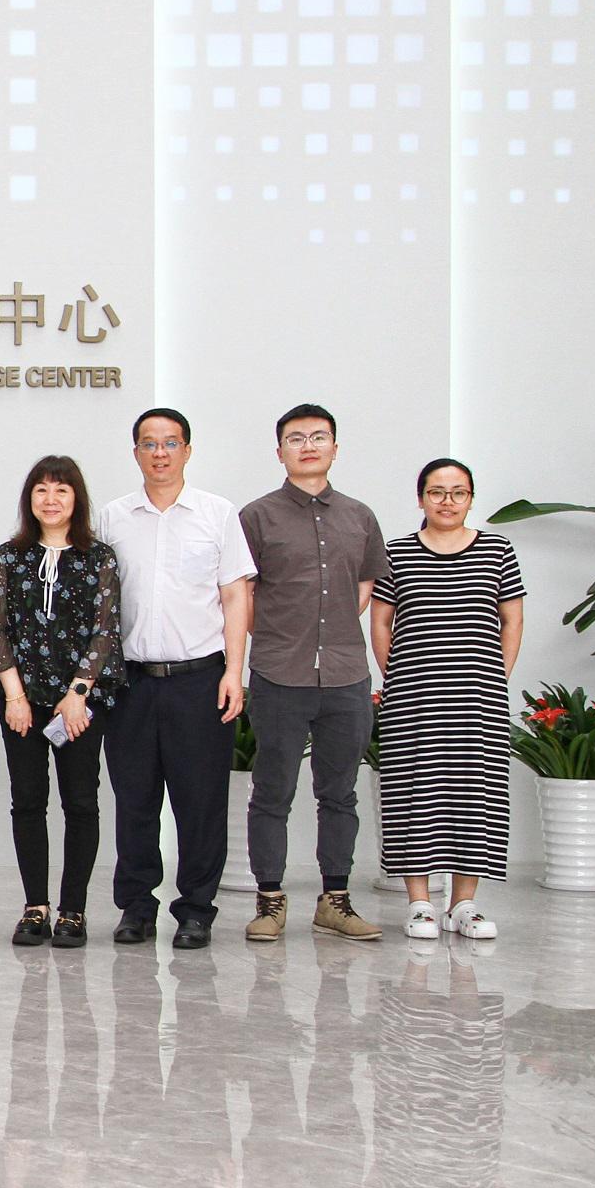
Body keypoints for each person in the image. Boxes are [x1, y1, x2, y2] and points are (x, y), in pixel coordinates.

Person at [98, 407, 255, 951]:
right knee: (134, 799)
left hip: (200, 679)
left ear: (187, 450)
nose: (159, 453)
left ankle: (196, 910)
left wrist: (234, 671)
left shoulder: (217, 514)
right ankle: (136, 908)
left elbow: (235, 596)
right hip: (130, 683)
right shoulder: (113, 518)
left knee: (200, 801)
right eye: (149, 443)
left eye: (170, 443)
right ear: (135, 452)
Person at [238, 403, 391, 942]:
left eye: (319, 437)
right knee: (272, 792)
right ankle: (269, 901)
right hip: (280, 672)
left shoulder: (359, 516)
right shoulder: (257, 516)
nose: (308, 446)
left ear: (335, 447)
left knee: (340, 793)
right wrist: (280, 635)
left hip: (346, 674)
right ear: (279, 451)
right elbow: (242, 594)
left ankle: (335, 901)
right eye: (296, 438)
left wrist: (331, 634)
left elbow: (365, 588)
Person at [370, 459, 525, 941]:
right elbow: (381, 622)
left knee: (475, 794)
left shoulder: (497, 549)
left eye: (458, 492)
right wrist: (397, 677)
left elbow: (511, 620)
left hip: (478, 698)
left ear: (471, 499)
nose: (447, 501)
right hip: (412, 698)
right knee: (411, 793)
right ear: (421, 499)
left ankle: (464, 905)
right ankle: (419, 903)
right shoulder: (397, 552)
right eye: (437, 492)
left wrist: (495, 677)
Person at [0, 455, 125, 949]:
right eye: (41, 490)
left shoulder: (99, 557)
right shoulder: (10, 556)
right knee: (27, 801)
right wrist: (15, 696)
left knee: (81, 802)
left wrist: (77, 695)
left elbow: (106, 629)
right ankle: (35, 907)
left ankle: (73, 910)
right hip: (21, 700)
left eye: (61, 490)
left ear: (76, 498)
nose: (51, 499)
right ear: (30, 499)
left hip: (79, 706)